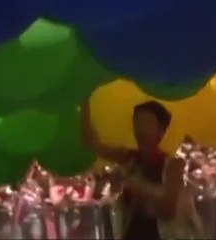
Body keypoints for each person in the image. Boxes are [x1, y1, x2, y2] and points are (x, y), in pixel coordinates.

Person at [80, 98, 191, 240]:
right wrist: (84, 97)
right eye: (137, 122)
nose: (140, 129)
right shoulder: (129, 158)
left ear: (160, 132)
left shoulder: (174, 164)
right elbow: (91, 142)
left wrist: (133, 182)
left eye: (146, 123)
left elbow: (168, 210)